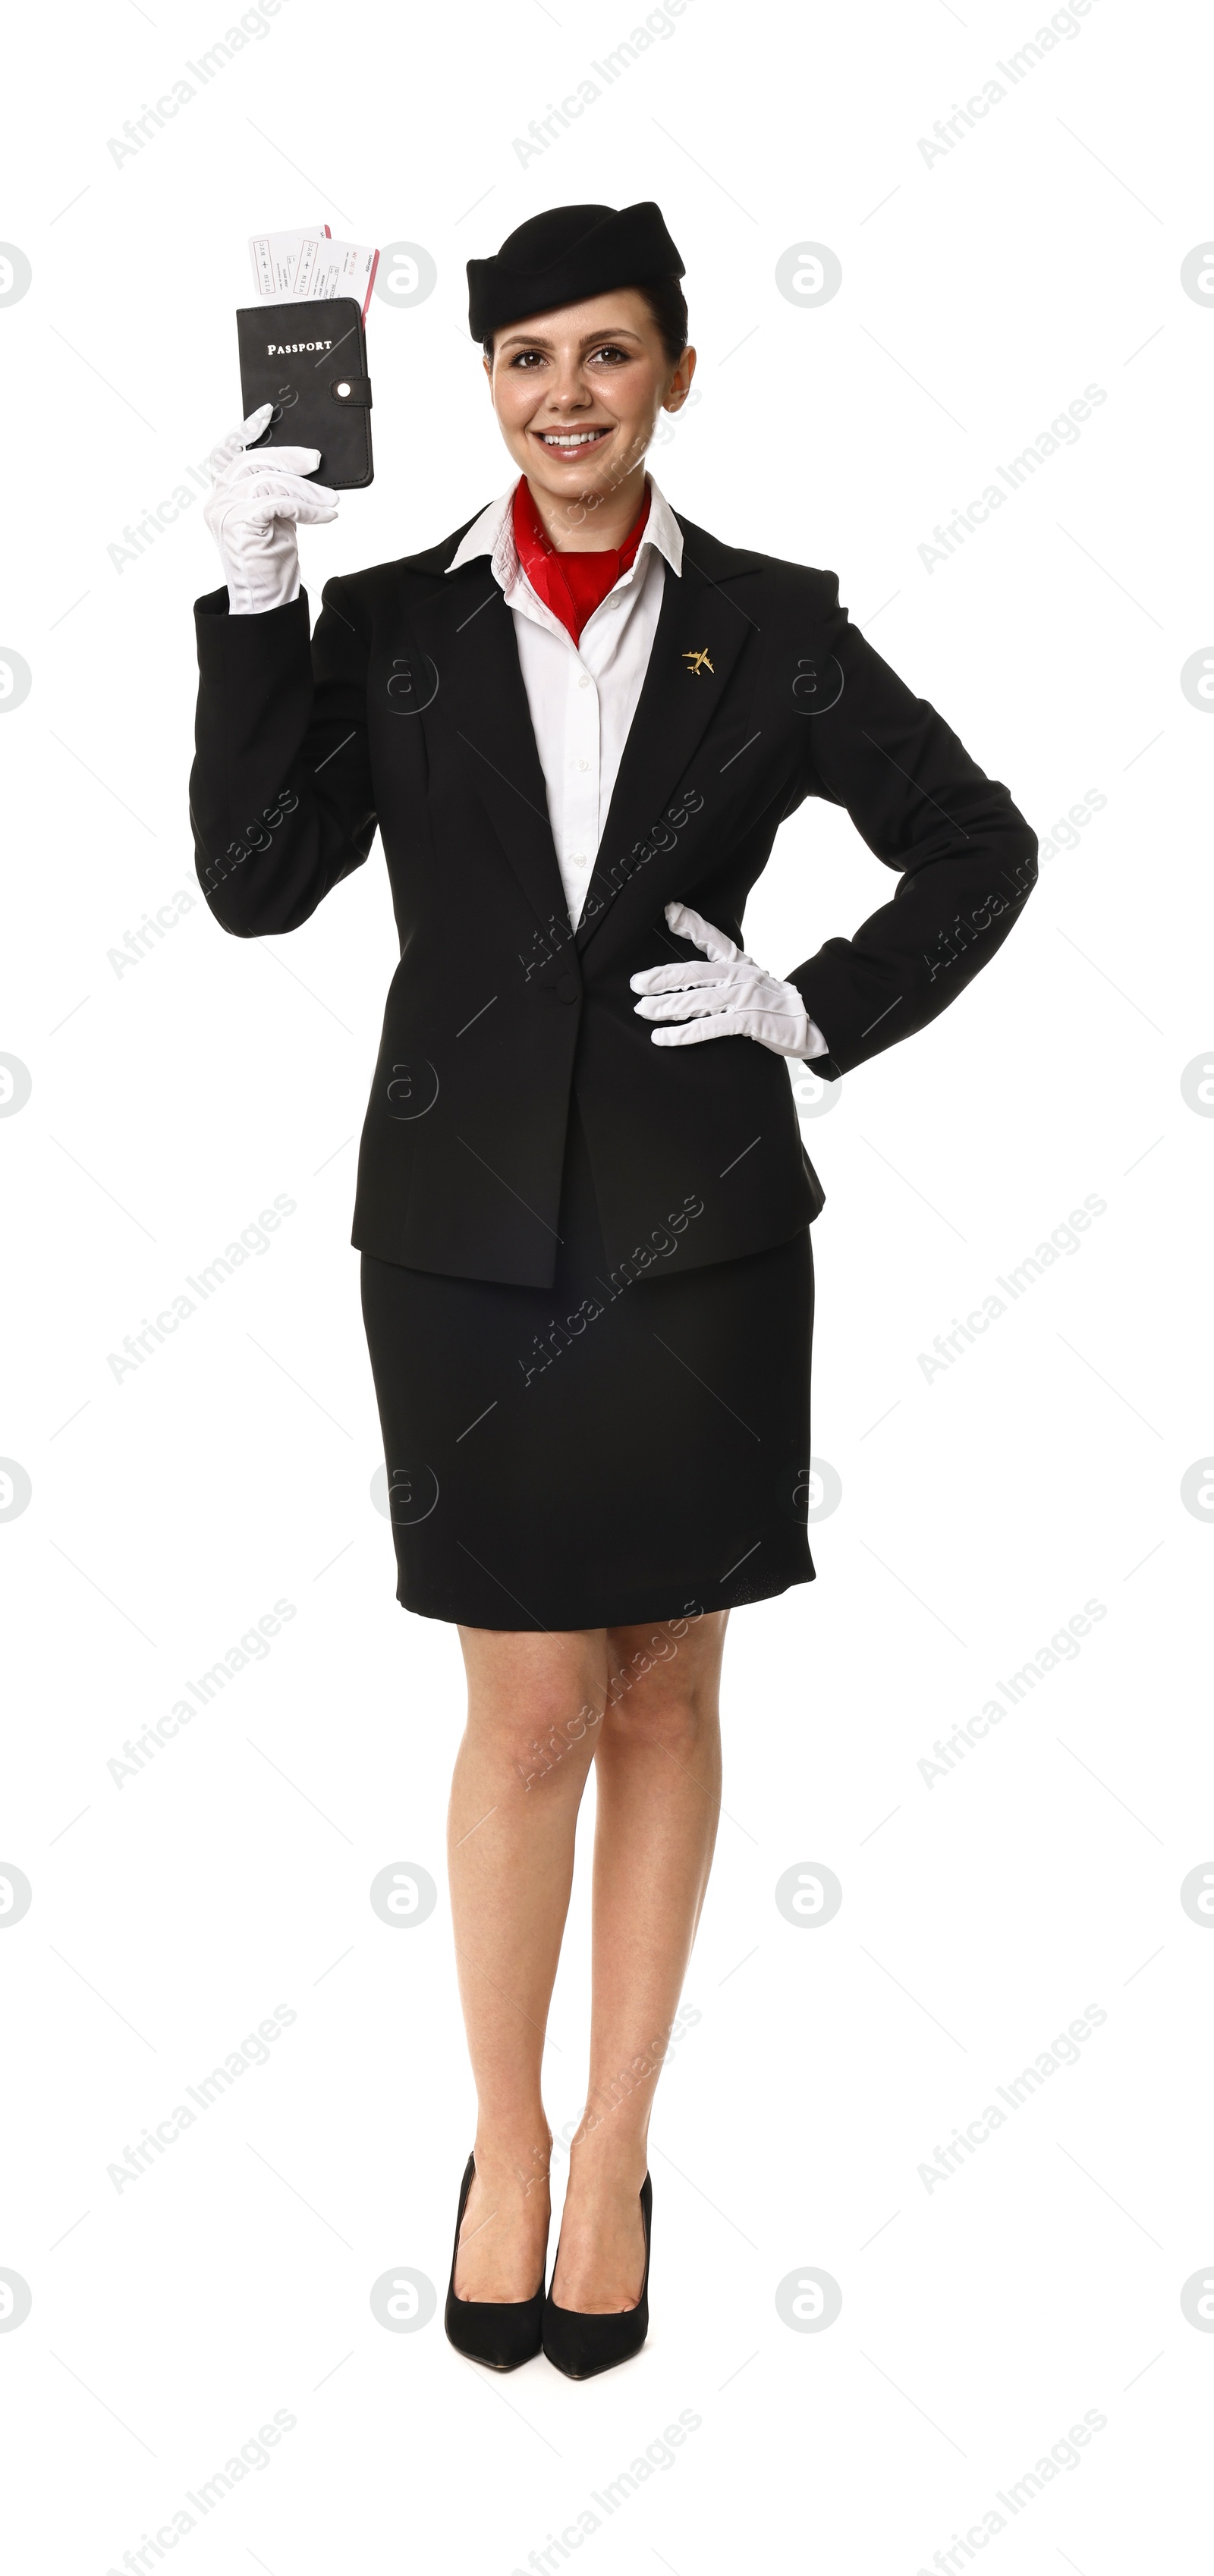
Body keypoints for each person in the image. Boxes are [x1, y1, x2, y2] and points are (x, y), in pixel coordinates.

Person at [190, 199, 1038, 2378]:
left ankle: (616, 2151)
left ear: (677, 371)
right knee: (526, 1703)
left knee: (667, 1685)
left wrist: (815, 1005)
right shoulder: (388, 627)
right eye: (527, 357)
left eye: (608, 352)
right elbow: (257, 885)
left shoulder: (771, 625)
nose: (565, 393)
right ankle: (499, 2135)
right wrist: (253, 596)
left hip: (702, 1242)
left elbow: (983, 842)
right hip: (463, 1243)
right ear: (481, 382)